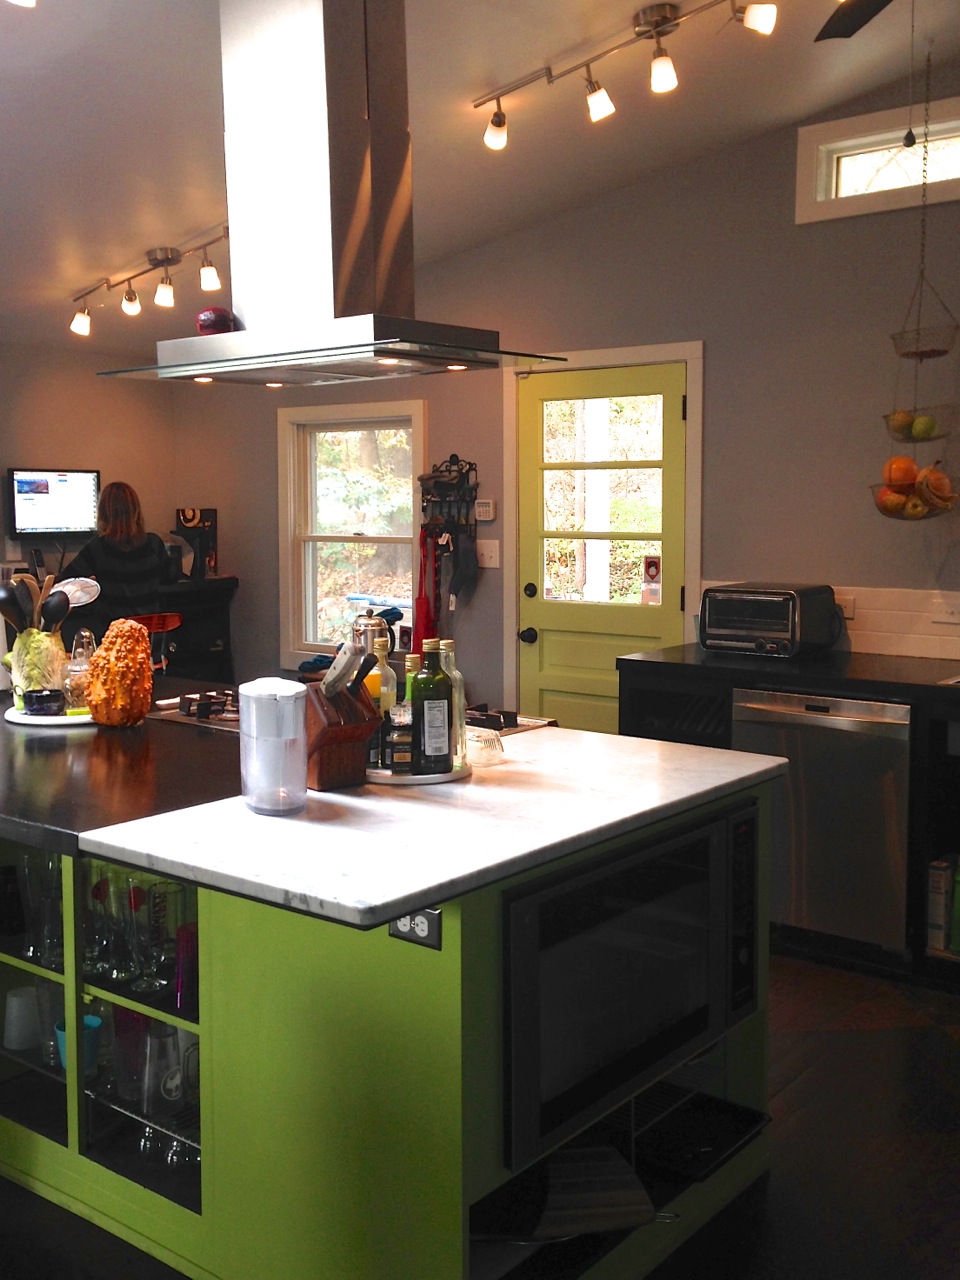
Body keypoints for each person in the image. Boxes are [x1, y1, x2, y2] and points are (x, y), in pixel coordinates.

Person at [57, 481, 179, 645]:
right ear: (135, 511)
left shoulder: (98, 548)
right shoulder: (154, 544)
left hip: (115, 648)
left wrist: (91, 590)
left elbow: (65, 584)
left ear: (104, 514)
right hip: (149, 646)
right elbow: (171, 577)